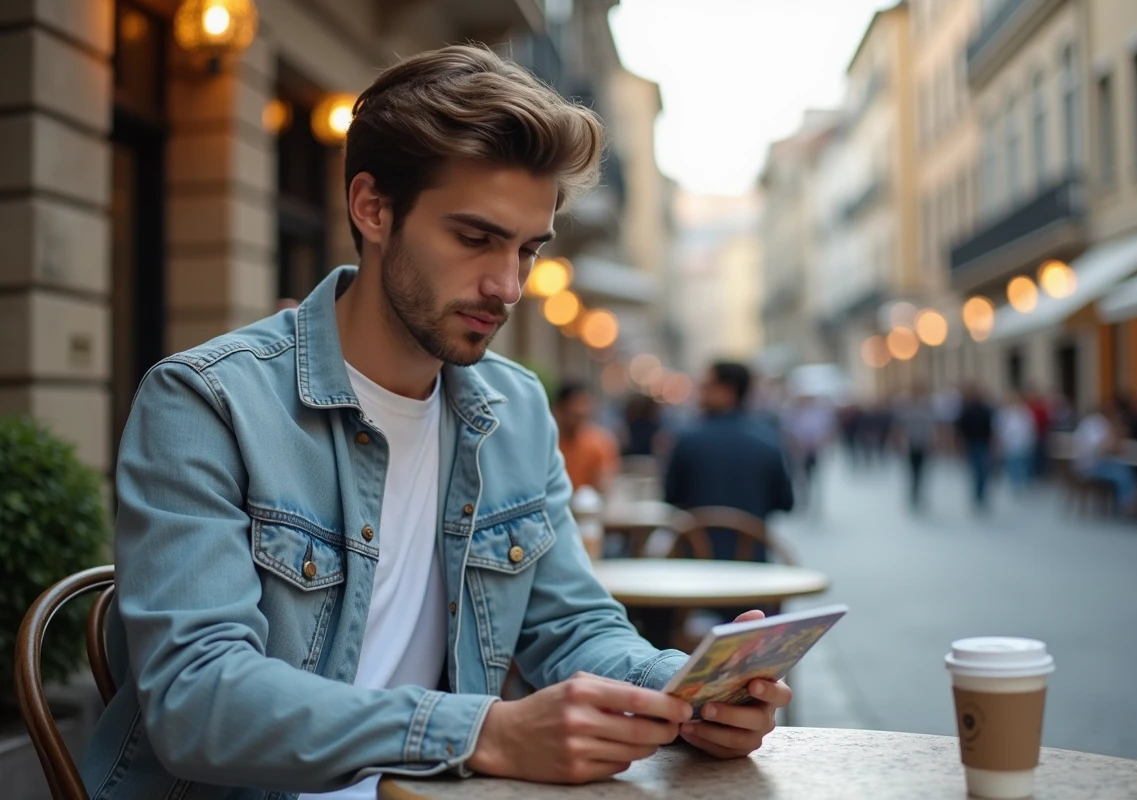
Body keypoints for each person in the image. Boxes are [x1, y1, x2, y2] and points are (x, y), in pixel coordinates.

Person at [82, 46, 789, 800]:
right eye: (475, 238)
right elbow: (198, 701)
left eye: (527, 249)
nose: (508, 284)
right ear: (373, 208)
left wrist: (685, 688)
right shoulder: (207, 402)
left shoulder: (513, 412)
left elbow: (574, 628)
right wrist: (482, 731)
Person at [664, 362, 794, 561]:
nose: (701, 392)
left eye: (707, 386)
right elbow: (786, 503)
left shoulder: (687, 440)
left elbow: (671, 497)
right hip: (753, 561)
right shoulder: (768, 439)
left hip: (696, 563)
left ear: (728, 391)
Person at [553, 381, 620, 491]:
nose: (581, 411)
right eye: (574, 412)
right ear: (560, 409)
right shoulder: (549, 444)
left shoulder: (600, 442)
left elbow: (605, 483)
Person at [1074, 403, 1137, 514]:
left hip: (1092, 464)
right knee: (1122, 473)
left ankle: (1127, 502)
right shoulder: (1095, 425)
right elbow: (1101, 449)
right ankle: (1126, 505)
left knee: (1123, 469)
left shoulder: (1095, 423)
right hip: (1090, 467)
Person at [782, 394, 837, 512]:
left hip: (814, 451)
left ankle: (814, 501)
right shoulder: (793, 414)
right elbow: (787, 432)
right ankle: (805, 500)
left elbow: (827, 431)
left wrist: (821, 443)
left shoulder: (818, 413)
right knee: (801, 477)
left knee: (814, 476)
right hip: (799, 451)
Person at [895, 385, 939, 510]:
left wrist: (934, 441)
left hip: (924, 444)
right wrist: (899, 441)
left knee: (922, 472)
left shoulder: (928, 409)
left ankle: (919, 495)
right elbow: (900, 427)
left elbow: (934, 427)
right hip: (910, 445)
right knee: (912, 472)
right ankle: (913, 495)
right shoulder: (906, 409)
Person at [956, 385, 995, 512]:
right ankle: (977, 495)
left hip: (983, 443)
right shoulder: (966, 410)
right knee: (975, 470)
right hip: (971, 443)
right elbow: (961, 428)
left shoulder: (986, 409)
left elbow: (991, 427)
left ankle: (981, 494)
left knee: (983, 470)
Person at [996, 392, 1037, 491]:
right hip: (1010, 442)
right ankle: (1014, 481)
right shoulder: (1005, 412)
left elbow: (1029, 426)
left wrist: (1030, 439)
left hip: (1022, 441)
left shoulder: (1024, 412)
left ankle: (1021, 480)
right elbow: (1000, 428)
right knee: (1011, 462)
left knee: (1021, 462)